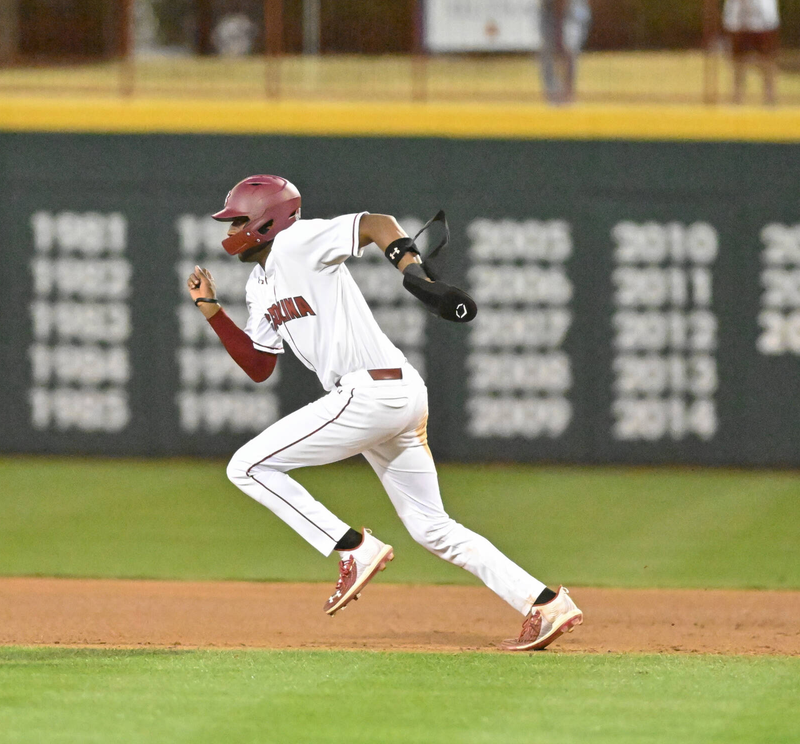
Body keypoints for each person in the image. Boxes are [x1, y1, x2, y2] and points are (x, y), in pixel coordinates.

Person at [185, 174, 584, 651]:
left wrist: (410, 266)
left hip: (369, 391)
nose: (229, 231)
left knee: (246, 466)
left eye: (237, 220)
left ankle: (353, 547)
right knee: (432, 528)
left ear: (267, 221)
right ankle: (544, 604)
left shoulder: (297, 240)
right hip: (393, 395)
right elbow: (258, 364)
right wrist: (212, 312)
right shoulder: (258, 285)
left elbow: (376, 224)